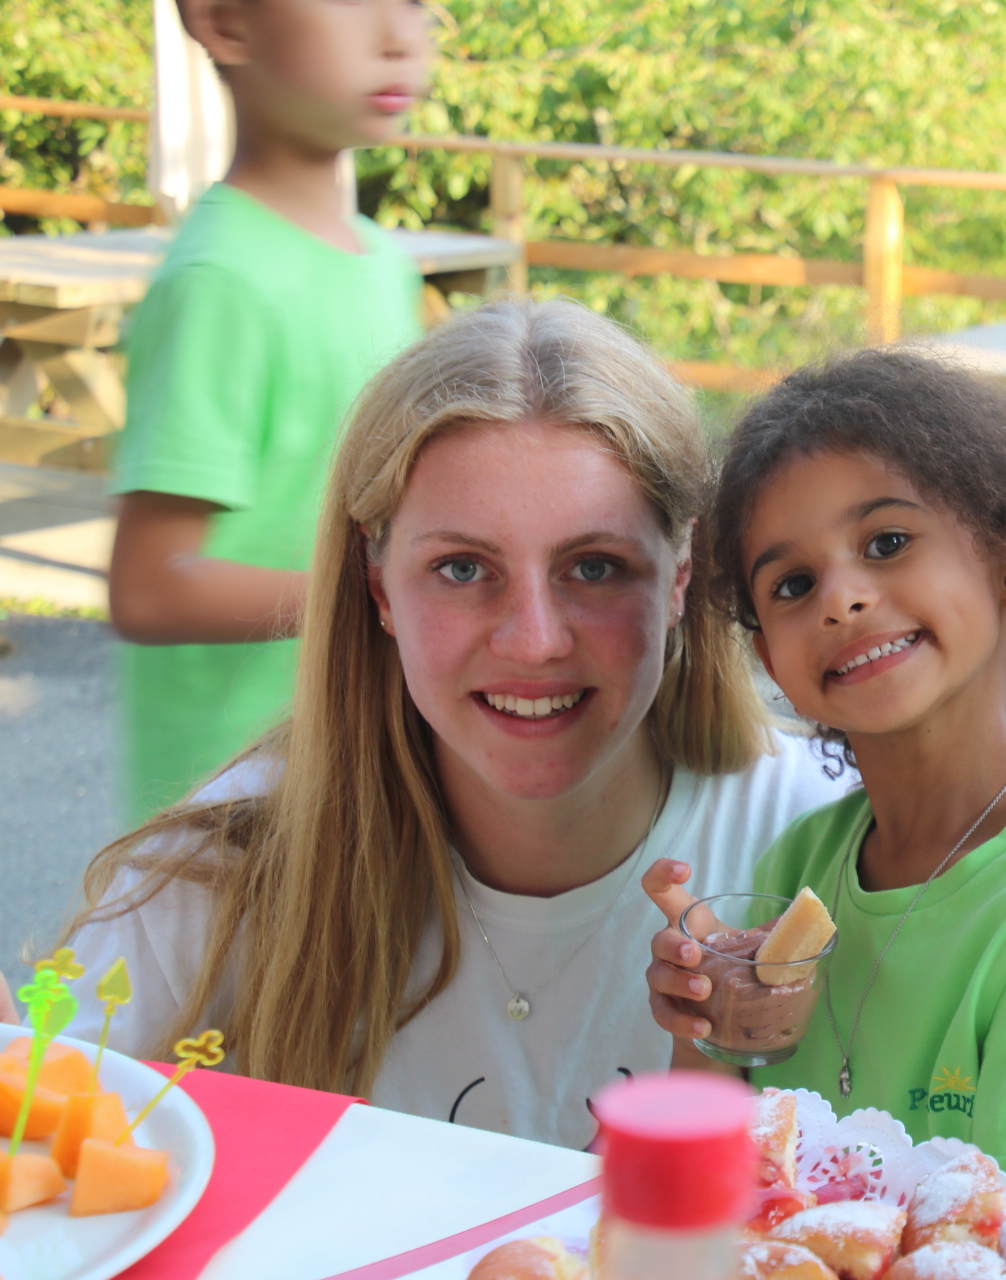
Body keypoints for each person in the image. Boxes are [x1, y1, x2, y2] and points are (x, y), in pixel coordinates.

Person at [63, 300, 849, 1148]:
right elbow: (45, 1151)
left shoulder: (838, 845)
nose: (535, 641)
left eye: (594, 567)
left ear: (680, 575)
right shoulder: (216, 880)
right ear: (378, 585)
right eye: (463, 569)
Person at [644, 350, 1006, 1210]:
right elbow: (713, 1190)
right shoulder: (802, 865)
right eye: (793, 584)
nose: (841, 598)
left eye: (887, 543)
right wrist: (708, 1027)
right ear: (770, 661)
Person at [109, 0, 431, 822]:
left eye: (416, 2)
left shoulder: (384, 264)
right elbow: (148, 588)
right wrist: (379, 595)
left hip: (360, 766)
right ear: (225, 23)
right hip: (231, 803)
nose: (399, 35)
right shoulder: (219, 280)